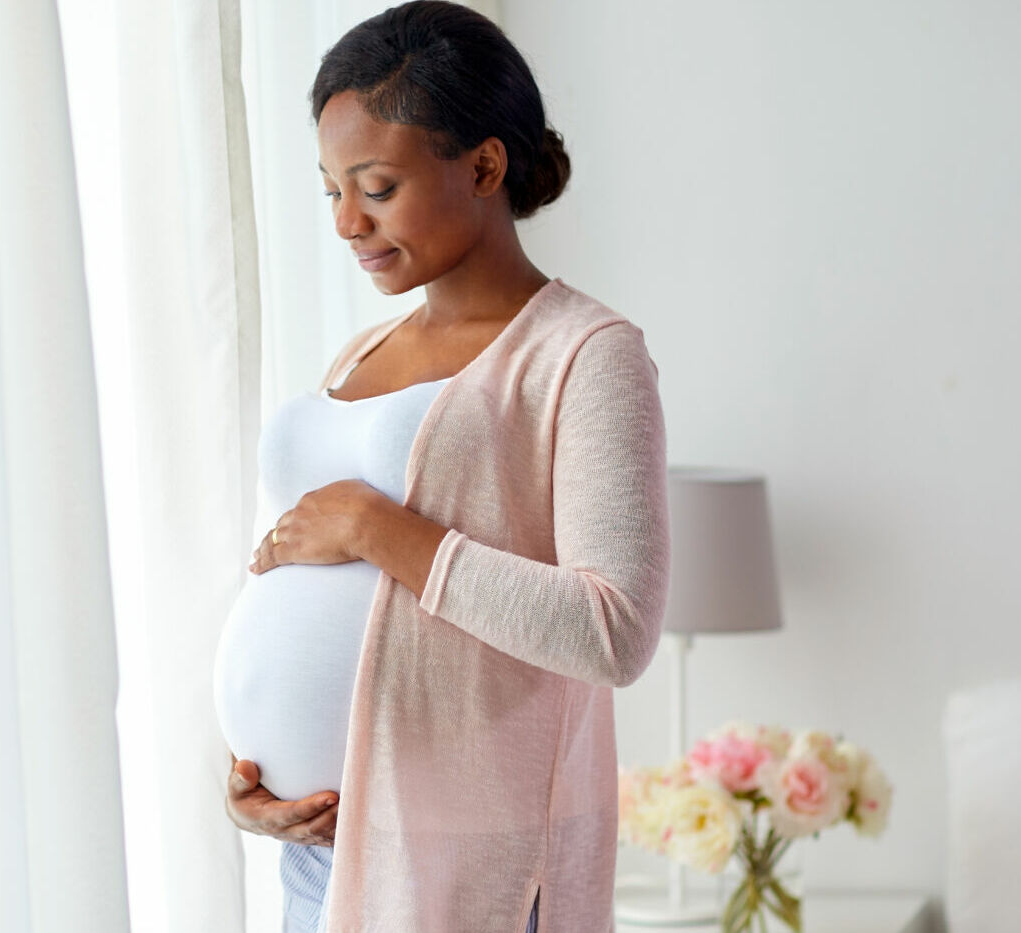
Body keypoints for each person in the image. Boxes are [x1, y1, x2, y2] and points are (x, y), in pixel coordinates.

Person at [218, 3, 670, 930]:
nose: (347, 221)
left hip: (465, 877)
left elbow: (612, 629)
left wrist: (380, 530)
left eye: (376, 186)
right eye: (330, 188)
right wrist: (257, 773)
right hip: (318, 862)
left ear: (485, 166)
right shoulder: (359, 354)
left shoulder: (585, 355)